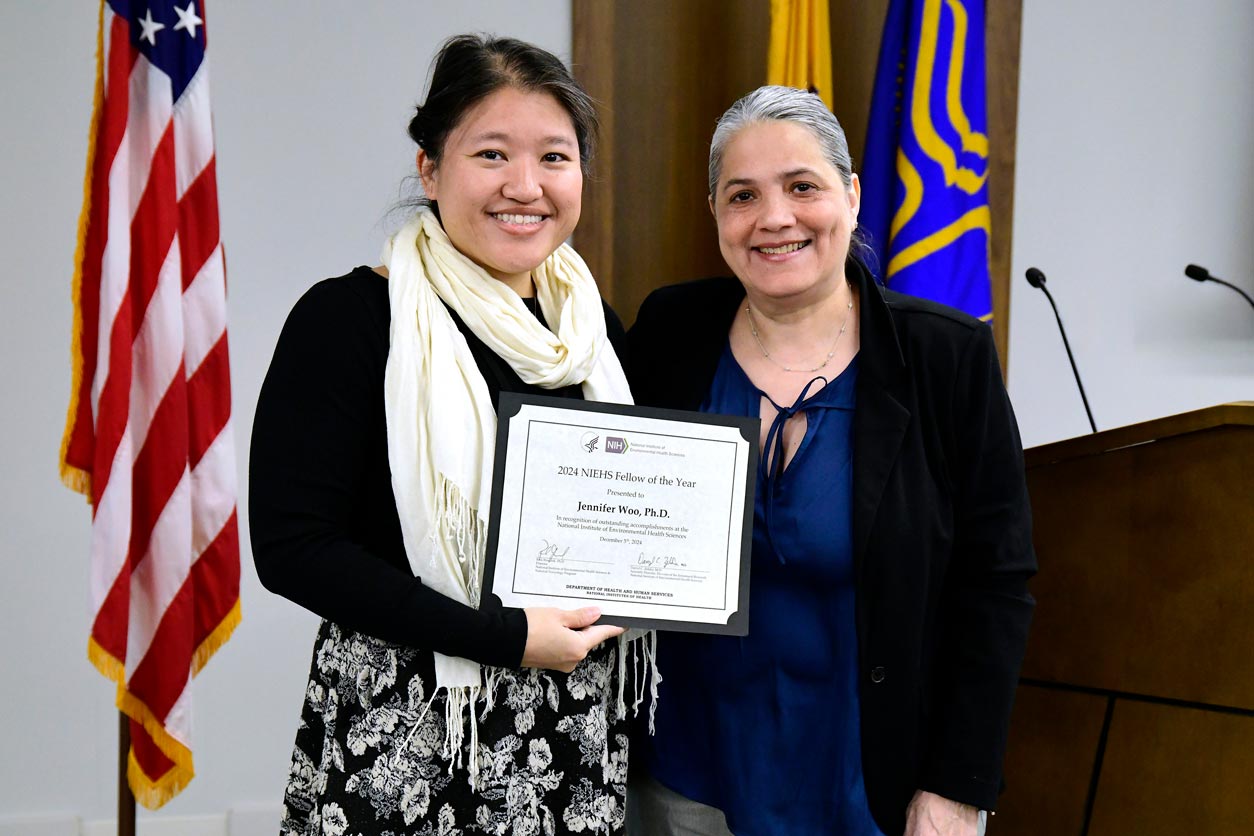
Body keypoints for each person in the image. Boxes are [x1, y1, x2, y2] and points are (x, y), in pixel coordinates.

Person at [251, 35, 653, 836]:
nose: (525, 187)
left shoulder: (590, 332)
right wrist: (503, 637)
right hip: (408, 733)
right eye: (492, 154)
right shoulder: (352, 319)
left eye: (555, 158)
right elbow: (292, 546)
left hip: (570, 732)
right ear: (431, 168)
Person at [624, 86, 1036, 836]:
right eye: (742, 194)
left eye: (802, 187)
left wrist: (957, 784)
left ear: (850, 196)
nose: (774, 217)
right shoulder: (670, 331)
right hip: (688, 777)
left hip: (877, 781)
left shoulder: (944, 356)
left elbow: (997, 584)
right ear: (715, 212)